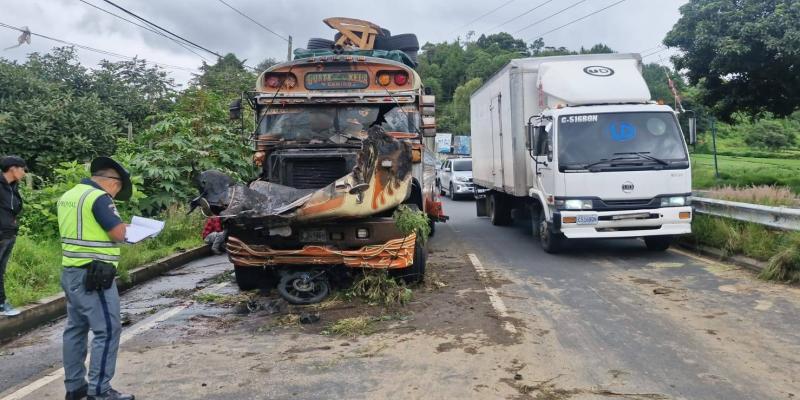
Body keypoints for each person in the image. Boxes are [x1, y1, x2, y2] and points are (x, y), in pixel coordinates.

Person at [58, 157, 135, 400]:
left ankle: (75, 387)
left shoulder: (69, 195)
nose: (116, 194)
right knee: (108, 330)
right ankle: (100, 391)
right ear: (112, 182)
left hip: (71, 271)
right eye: (118, 189)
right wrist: (126, 230)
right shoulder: (99, 198)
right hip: (95, 275)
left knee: (75, 329)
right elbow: (117, 233)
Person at [0, 156, 27, 317]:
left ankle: (2, 304)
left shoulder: (13, 186)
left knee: (1, 270)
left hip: (9, 234)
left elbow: (13, 208)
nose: (24, 173)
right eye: (23, 169)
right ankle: (2, 304)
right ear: (13, 168)